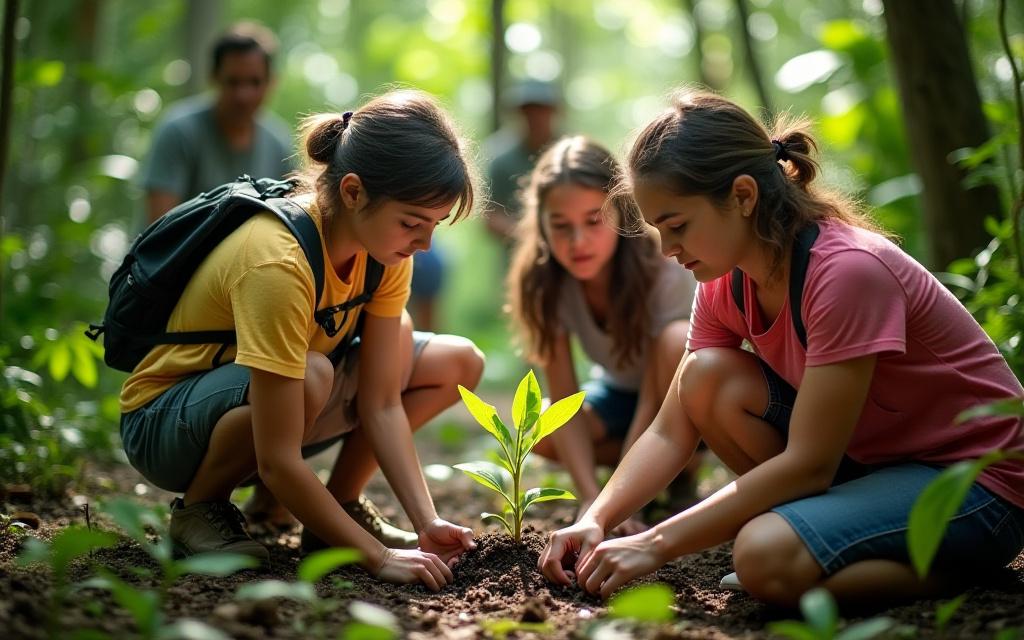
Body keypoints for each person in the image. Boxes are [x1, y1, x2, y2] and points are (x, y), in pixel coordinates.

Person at [538, 89, 1024, 608]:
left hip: (978, 483)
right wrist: (597, 518)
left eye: (677, 225)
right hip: (874, 466)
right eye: (658, 229)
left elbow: (811, 464)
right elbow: (669, 428)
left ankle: (956, 572)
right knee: (706, 377)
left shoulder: (846, 272)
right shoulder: (725, 281)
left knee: (764, 558)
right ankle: (822, 538)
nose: (666, 247)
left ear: (743, 196)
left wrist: (653, 544)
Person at [119, 89, 485, 592]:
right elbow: (278, 459)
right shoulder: (278, 261)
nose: (425, 243)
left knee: (456, 360)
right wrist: (378, 558)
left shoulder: (385, 253)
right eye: (412, 223)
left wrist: (426, 523)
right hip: (166, 421)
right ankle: (199, 510)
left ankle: (339, 509)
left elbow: (381, 403)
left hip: (276, 400)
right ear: (354, 192)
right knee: (314, 373)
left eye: (434, 225)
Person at [506, 136, 696, 536]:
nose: (577, 242)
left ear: (621, 212)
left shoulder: (664, 264)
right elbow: (564, 399)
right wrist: (593, 498)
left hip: (678, 400)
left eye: (593, 220)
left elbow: (653, 397)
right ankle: (656, 473)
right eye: (560, 226)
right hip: (616, 396)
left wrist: (618, 500)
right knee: (542, 429)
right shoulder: (543, 281)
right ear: (540, 223)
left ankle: (683, 465)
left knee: (677, 339)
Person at [140, 21, 294, 223]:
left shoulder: (278, 145)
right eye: (233, 82)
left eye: (254, 82)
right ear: (213, 77)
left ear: (271, 82)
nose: (243, 95)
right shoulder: (179, 132)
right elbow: (159, 227)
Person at [483, 79, 561, 245]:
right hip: (517, 258)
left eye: (541, 110)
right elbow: (490, 216)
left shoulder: (570, 153)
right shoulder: (500, 157)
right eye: (528, 111)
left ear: (553, 111)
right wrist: (531, 233)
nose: (535, 117)